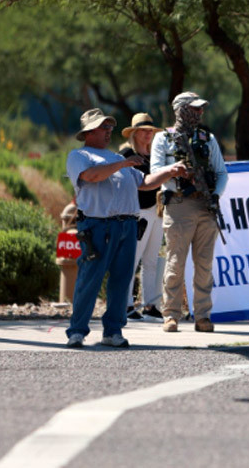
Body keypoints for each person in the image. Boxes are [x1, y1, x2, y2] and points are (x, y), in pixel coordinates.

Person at [65, 109, 186, 348]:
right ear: (89, 132)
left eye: (110, 126)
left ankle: (113, 331)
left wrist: (169, 171)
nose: (108, 130)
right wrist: (123, 163)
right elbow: (92, 176)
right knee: (90, 280)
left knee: (122, 281)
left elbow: (145, 183)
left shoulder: (115, 157)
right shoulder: (79, 155)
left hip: (127, 226)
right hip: (97, 226)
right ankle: (77, 331)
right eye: (103, 127)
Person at [151, 91, 228, 334]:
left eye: (201, 109)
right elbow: (155, 172)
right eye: (194, 109)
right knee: (175, 263)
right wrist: (175, 172)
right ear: (181, 110)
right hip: (179, 205)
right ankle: (171, 315)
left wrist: (215, 195)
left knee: (204, 266)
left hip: (206, 207)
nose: (199, 113)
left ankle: (203, 316)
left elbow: (222, 172)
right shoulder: (163, 139)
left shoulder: (208, 138)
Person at [120, 113, 165, 320]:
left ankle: (150, 304)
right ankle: (127, 303)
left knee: (151, 260)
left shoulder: (154, 155)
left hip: (157, 211)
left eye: (150, 131)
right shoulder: (127, 154)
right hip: (139, 211)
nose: (148, 134)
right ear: (135, 133)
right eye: (144, 131)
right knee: (133, 259)